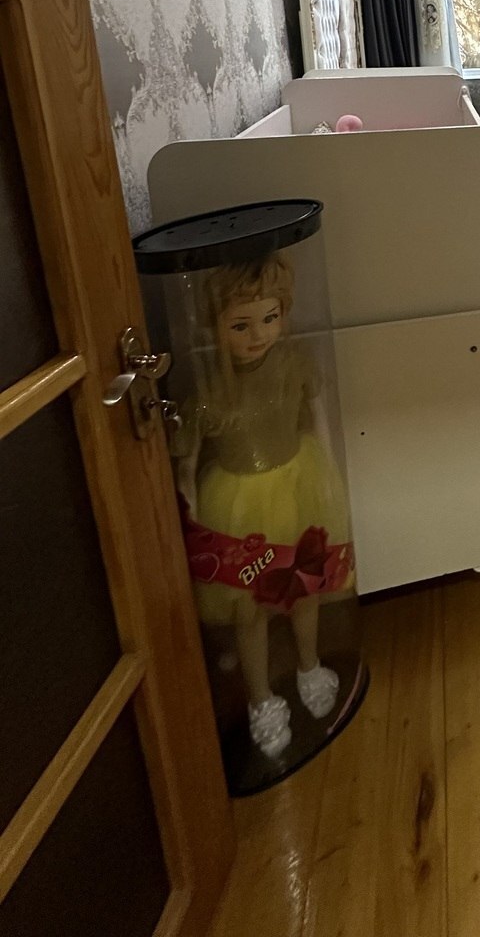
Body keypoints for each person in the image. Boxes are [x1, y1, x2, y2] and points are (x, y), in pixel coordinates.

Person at [173, 252, 352, 760]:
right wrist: (190, 505)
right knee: (246, 607)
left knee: (305, 588)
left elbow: (317, 419)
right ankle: (260, 696)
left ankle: (309, 664)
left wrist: (330, 476)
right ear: (215, 325)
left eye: (270, 318)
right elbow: (188, 460)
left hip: (299, 484)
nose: (258, 335)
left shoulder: (295, 364)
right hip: (236, 504)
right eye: (240, 325)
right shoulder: (208, 388)